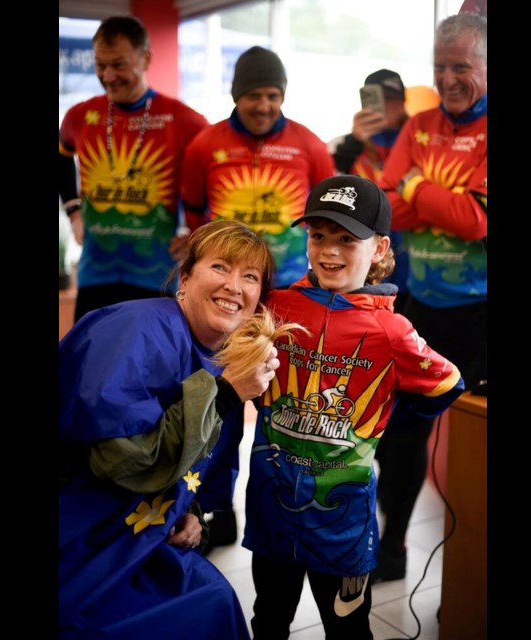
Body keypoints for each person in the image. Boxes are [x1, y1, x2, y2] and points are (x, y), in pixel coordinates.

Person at [242, 175, 465, 639]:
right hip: (272, 507)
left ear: (380, 247)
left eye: (347, 238)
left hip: (340, 526)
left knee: (347, 630)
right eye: (318, 235)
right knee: (268, 620)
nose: (329, 250)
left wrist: (380, 426)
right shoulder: (275, 306)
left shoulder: (393, 330)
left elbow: (448, 382)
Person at [58, 220, 281, 640]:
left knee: (216, 597)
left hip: (139, 536)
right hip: (83, 537)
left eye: (249, 277)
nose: (234, 286)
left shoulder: (221, 358)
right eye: (220, 267)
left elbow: (193, 464)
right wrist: (227, 393)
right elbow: (122, 459)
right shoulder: (136, 329)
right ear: (185, 277)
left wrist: (188, 512)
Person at [181, 45, 335, 550]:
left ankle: (285, 509)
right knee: (222, 406)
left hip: (286, 303)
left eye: (272, 95)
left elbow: (331, 224)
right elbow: (190, 210)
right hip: (230, 301)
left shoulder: (309, 146)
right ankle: (214, 509)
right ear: (236, 96)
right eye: (253, 96)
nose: (263, 105)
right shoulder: (206, 144)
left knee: (283, 413)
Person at [373, 12, 487, 583]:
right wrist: (438, 198)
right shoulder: (418, 126)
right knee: (399, 434)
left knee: (475, 443)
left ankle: (468, 581)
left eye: (460, 66)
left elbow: (476, 221)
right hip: (422, 305)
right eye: (440, 67)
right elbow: (386, 209)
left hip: (481, 314)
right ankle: (392, 546)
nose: (447, 78)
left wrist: (417, 184)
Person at [59, 15, 209, 322]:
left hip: (156, 278)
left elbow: (216, 178)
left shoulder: (184, 120)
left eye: (119, 64)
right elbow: (61, 156)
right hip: (95, 274)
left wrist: (198, 234)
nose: (108, 75)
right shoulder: (80, 115)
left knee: (153, 367)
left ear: (146, 58)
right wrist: (73, 209)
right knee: (90, 364)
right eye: (100, 65)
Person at [332, 68, 411, 313]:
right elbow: (328, 189)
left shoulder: (420, 141)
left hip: (412, 255)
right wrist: (354, 141)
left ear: (403, 103)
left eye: (392, 99)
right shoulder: (346, 144)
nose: (385, 106)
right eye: (378, 99)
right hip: (364, 258)